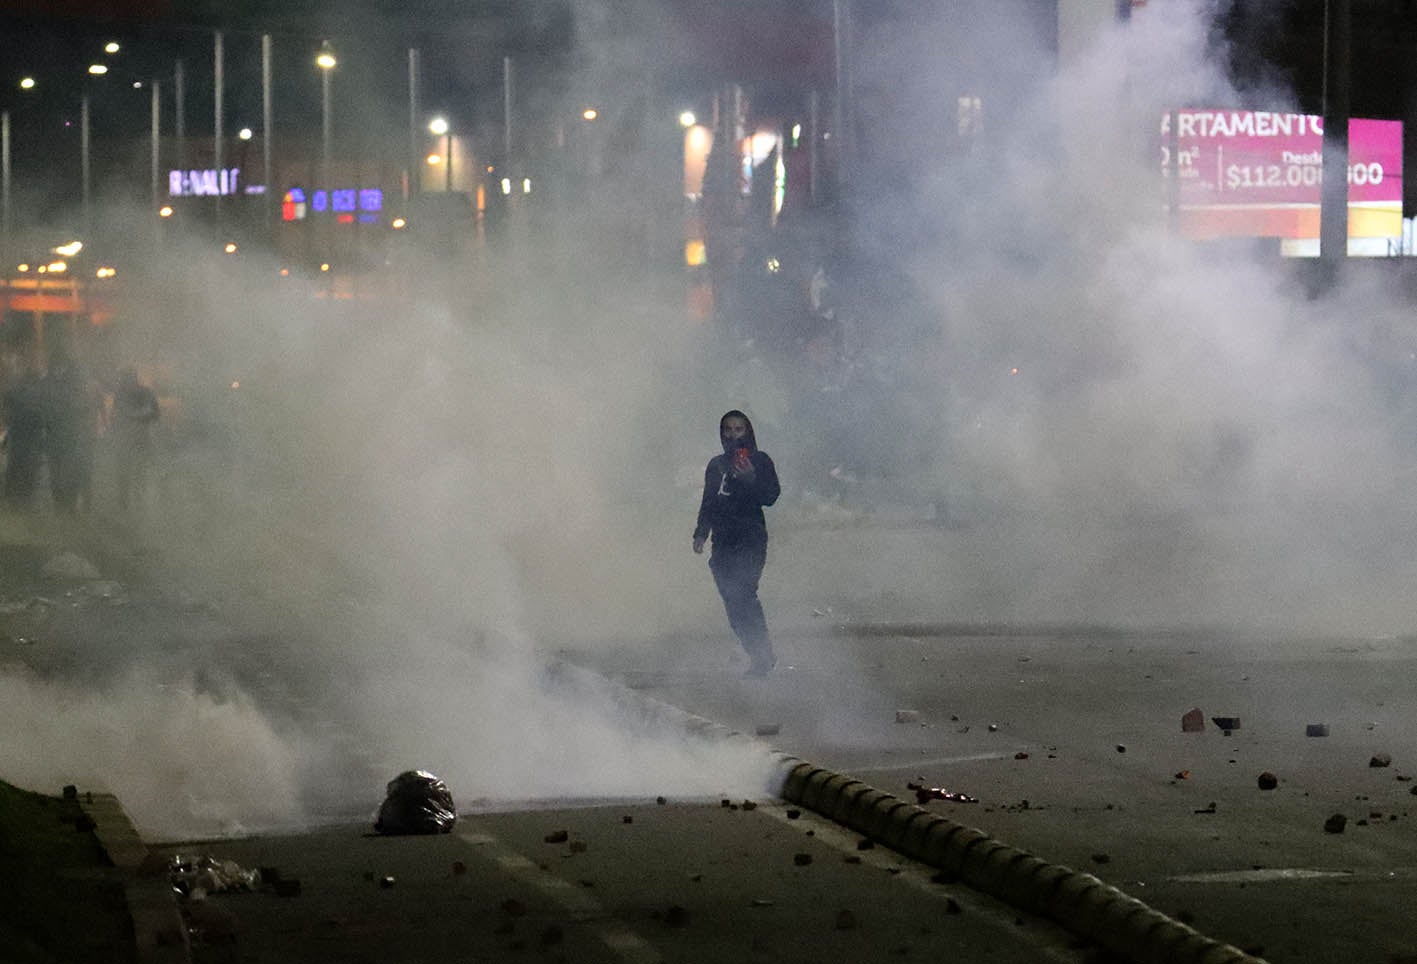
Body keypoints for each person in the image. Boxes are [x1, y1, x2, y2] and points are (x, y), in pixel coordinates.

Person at [692, 410, 781, 677]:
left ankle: (762, 655)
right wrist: (701, 533)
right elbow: (709, 502)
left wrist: (751, 478)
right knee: (732, 603)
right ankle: (757, 653)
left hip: (751, 538)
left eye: (739, 429)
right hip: (722, 542)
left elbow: (770, 496)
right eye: (728, 430)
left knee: (745, 594)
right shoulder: (716, 465)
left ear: (748, 432)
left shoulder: (760, 461)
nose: (733, 435)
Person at [111, 367, 160, 512]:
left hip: (133, 439)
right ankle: (130, 502)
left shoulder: (124, 394)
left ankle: (130, 502)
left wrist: (132, 418)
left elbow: (154, 414)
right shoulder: (140, 393)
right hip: (135, 438)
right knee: (134, 471)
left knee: (134, 471)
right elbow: (155, 414)